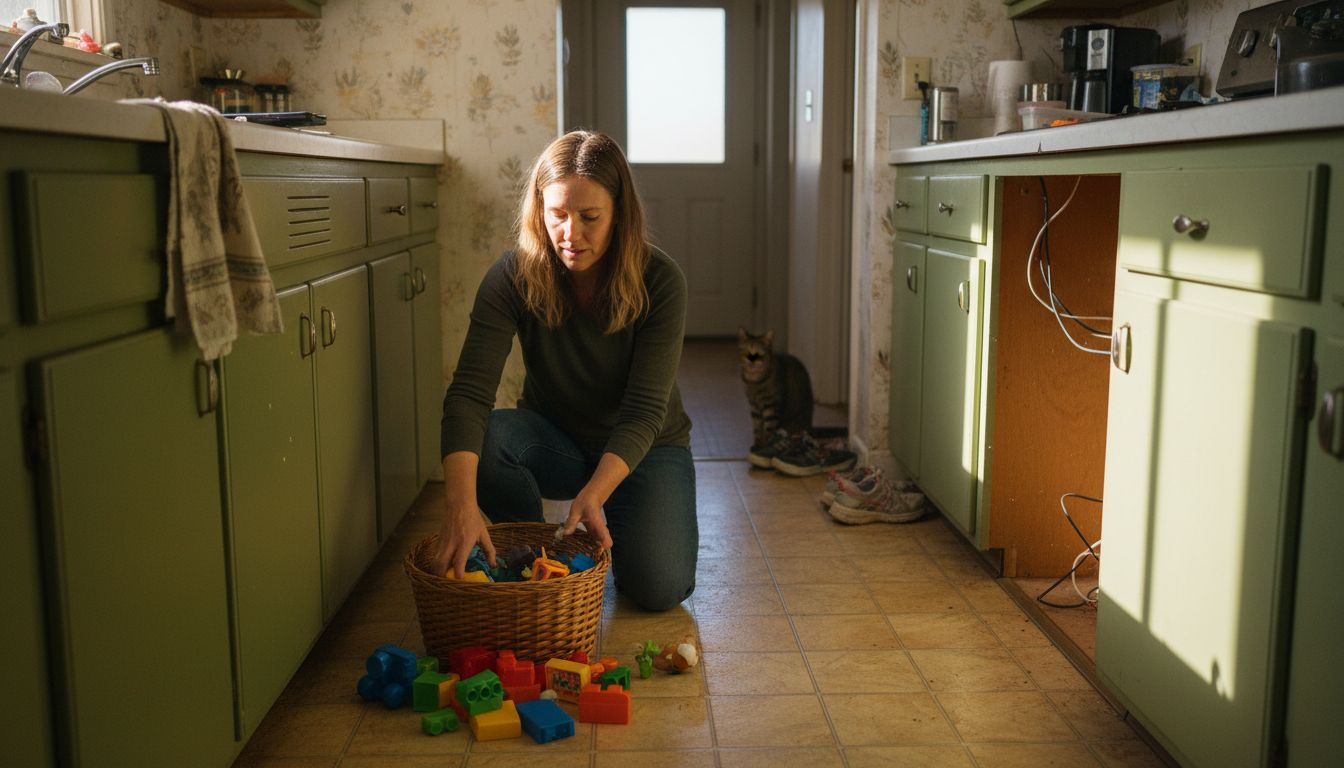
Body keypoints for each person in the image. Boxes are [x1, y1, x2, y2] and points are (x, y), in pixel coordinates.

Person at [433, 130, 697, 611]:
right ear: (540, 212)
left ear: (620, 214)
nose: (570, 234)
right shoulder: (512, 276)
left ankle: (613, 509)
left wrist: (597, 492)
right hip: (559, 440)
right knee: (488, 439)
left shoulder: (662, 281)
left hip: (647, 448)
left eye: (589, 217)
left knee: (659, 590)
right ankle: (533, 557)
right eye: (556, 215)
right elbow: (469, 395)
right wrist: (461, 507)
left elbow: (643, 413)